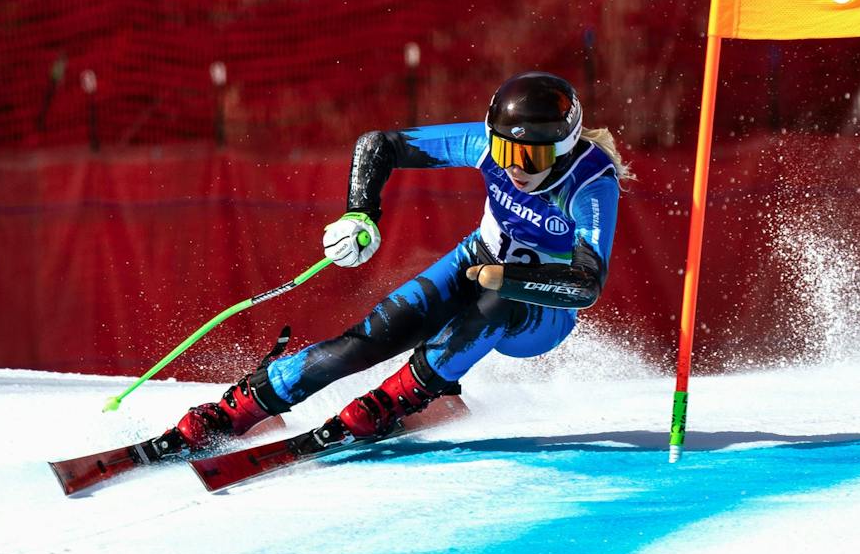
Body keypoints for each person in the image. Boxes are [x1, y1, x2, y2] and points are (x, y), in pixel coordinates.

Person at [160, 70, 624, 452]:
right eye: (504, 151)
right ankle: (246, 406)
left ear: (563, 149)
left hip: (541, 312)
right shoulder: (484, 144)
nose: (514, 167)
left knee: (496, 301)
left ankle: (395, 401)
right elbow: (378, 145)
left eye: (530, 156)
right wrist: (360, 213)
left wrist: (507, 277)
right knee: (370, 338)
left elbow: (584, 284)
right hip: (476, 260)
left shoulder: (590, 184)